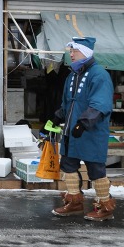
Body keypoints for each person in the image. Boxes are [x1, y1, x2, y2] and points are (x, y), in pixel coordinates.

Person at [51, 37, 115, 221]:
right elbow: (68, 104)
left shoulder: (99, 75)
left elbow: (100, 104)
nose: (71, 54)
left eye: (75, 51)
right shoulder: (72, 75)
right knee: (68, 165)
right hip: (72, 132)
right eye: (70, 51)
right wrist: (57, 116)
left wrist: (83, 123)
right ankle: (75, 202)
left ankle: (105, 206)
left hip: (91, 132)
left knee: (95, 169)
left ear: (86, 53)